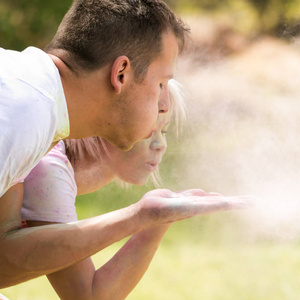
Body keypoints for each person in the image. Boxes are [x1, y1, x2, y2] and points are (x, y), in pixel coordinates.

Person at [0, 0, 251, 289]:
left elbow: (3, 255)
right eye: (160, 83)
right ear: (121, 73)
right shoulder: (23, 115)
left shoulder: (34, 100)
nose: (163, 101)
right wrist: (139, 217)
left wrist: (148, 216)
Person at [17, 80, 190, 299]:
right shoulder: (47, 170)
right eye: (150, 131)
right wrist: (153, 220)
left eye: (163, 131)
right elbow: (88, 295)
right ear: (112, 119)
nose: (160, 144)